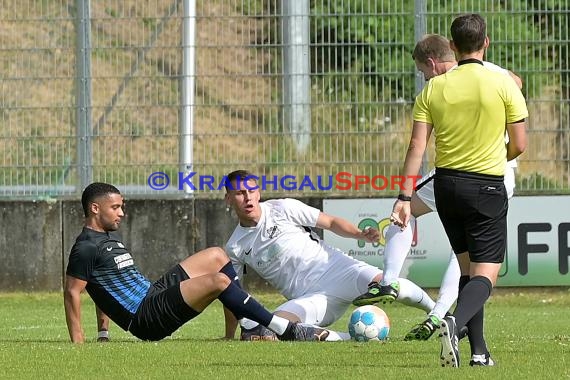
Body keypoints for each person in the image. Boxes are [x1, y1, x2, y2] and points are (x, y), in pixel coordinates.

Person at [353, 33, 524, 364]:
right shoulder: (493, 75)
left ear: (435, 61)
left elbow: (416, 145)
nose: (425, 77)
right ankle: (465, 336)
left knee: (447, 247)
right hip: (491, 178)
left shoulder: (439, 86)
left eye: (423, 71)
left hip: (457, 179)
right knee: (479, 272)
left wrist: (404, 194)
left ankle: (404, 289)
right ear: (484, 42)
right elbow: (516, 90)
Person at [64, 182, 329, 343]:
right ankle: (283, 329)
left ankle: (242, 330)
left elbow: (104, 287)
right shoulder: (86, 247)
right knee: (219, 281)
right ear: (95, 209)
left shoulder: (107, 240)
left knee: (216, 255)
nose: (122, 212)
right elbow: (74, 291)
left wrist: (103, 332)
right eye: (116, 208)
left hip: (152, 294)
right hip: (146, 318)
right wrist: (78, 340)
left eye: (122, 206)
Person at [222, 170, 437, 341]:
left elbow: (331, 222)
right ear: (228, 199)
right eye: (240, 193)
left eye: (251, 190)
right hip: (309, 299)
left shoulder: (282, 208)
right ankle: (346, 338)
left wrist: (359, 233)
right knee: (273, 329)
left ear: (259, 192)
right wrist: (230, 335)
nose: (248, 198)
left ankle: (436, 314)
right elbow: (232, 293)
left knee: (387, 284)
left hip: (341, 271)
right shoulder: (235, 246)